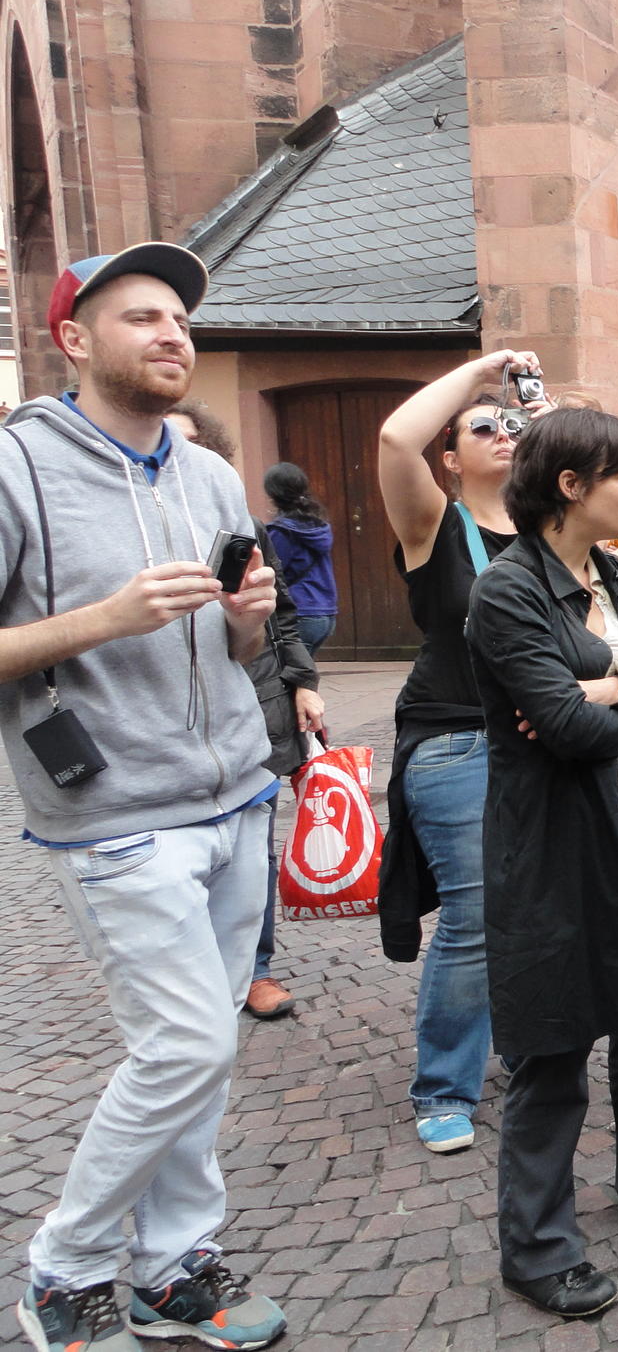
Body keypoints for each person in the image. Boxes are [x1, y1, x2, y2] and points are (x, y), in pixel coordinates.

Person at [1, 245, 288, 1352]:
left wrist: (250, 620)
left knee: (202, 1042)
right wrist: (103, 620)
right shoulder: (19, 467)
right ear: (74, 340)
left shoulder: (211, 475)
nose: (173, 335)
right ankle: (65, 1270)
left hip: (232, 796)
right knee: (182, 1048)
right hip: (118, 814)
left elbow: (234, 644)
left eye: (179, 318)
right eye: (141, 318)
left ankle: (171, 1267)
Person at [463, 407, 618, 1317]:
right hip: (558, 843)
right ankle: (536, 1246)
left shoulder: (612, 571)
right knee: (554, 1037)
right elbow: (562, 731)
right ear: (572, 486)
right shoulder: (507, 591)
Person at [376, 350, 546, 1155]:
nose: (502, 433)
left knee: (539, 906)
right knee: (476, 916)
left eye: (510, 424)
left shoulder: (555, 526)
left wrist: (540, 418)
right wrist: (488, 368)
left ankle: (524, 1041)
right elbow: (393, 438)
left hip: (546, 738)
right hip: (455, 738)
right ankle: (444, 1085)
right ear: (450, 456)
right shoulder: (434, 524)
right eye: (483, 427)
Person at [167, 403, 327, 1022]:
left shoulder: (240, 529)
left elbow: (281, 613)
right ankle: (195, 971)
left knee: (250, 847)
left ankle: (254, 970)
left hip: (252, 707)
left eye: (186, 446)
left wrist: (304, 683)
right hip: (166, 719)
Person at [262, 463, 338, 655]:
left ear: (272, 493)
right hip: (325, 612)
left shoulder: (281, 532)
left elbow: (273, 573)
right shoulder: (319, 526)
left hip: (300, 612)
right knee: (303, 674)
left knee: (292, 678)